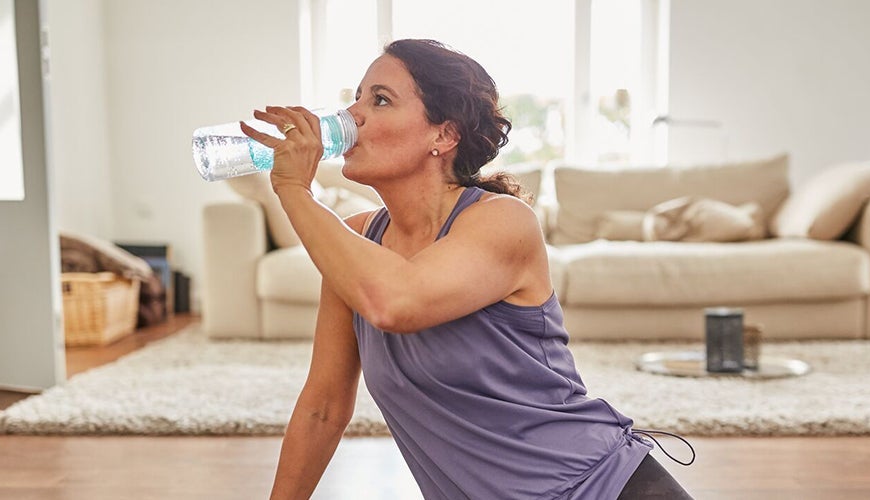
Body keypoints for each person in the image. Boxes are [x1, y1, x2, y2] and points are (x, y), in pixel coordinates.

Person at [242, 38, 693, 500]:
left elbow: (395, 302)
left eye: (380, 99)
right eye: (356, 97)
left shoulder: (502, 221)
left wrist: (295, 189)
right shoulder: (356, 245)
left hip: (598, 488)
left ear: (444, 135)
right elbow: (324, 407)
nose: (353, 114)